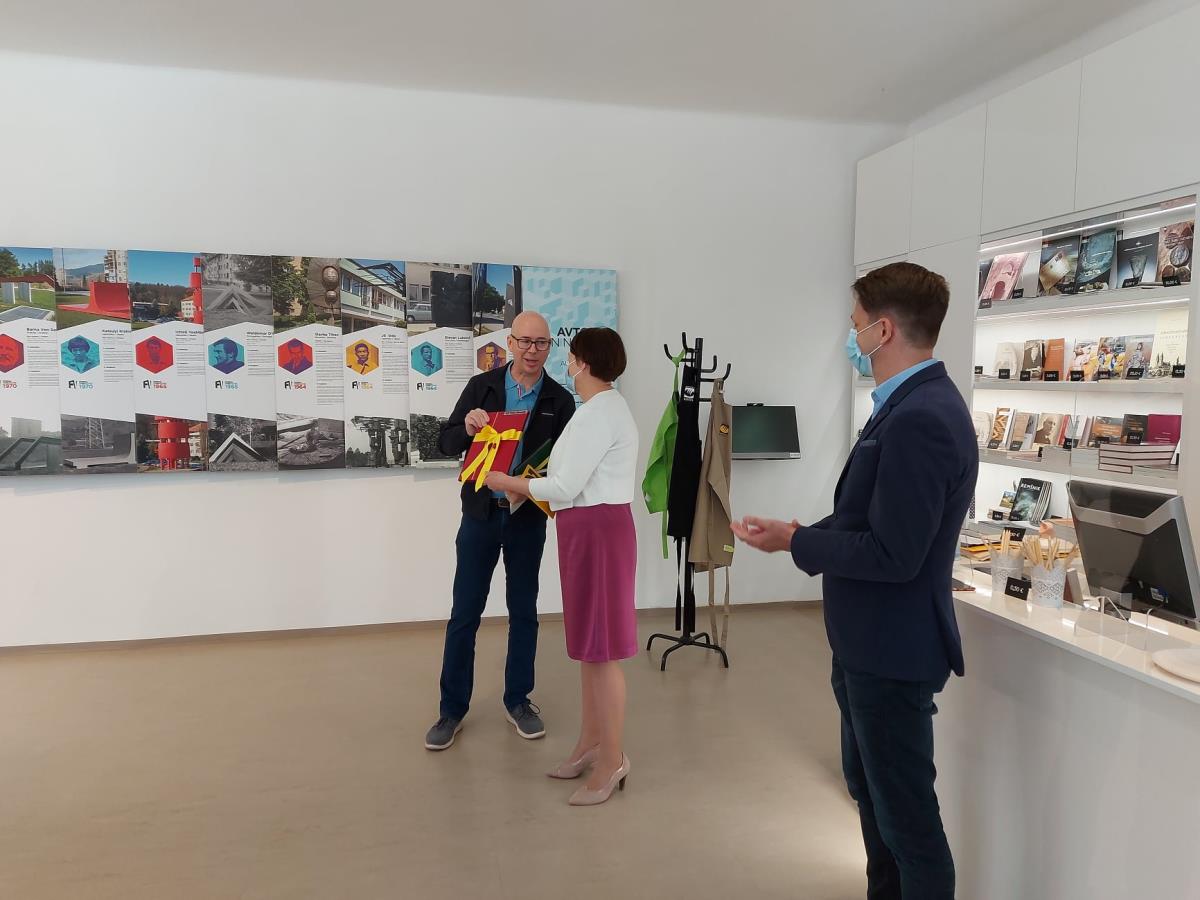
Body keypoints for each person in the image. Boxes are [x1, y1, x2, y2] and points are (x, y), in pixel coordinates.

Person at [732, 262, 976, 900]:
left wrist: (796, 543)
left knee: (908, 825)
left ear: (882, 330)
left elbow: (895, 554)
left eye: (855, 324)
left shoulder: (922, 417)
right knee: (874, 802)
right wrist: (799, 532)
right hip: (868, 647)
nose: (851, 336)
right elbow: (864, 519)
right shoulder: (905, 407)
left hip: (893, 652)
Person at [486, 327, 638, 806]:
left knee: (604, 650)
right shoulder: (597, 409)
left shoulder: (600, 413)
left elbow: (567, 485)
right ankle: (590, 743)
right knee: (590, 647)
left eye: (570, 357)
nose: (566, 365)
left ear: (584, 362)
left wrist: (508, 482)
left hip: (598, 531)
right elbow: (566, 479)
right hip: (585, 529)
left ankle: (612, 759)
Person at [424, 311, 575, 751]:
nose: (532, 350)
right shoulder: (482, 387)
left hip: (527, 519)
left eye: (541, 343)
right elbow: (445, 442)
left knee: (524, 611)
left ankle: (518, 700)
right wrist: (467, 428)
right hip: (480, 516)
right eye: (525, 341)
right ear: (510, 343)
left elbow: (564, 465)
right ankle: (451, 709)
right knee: (464, 613)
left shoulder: (560, 400)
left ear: (550, 347)